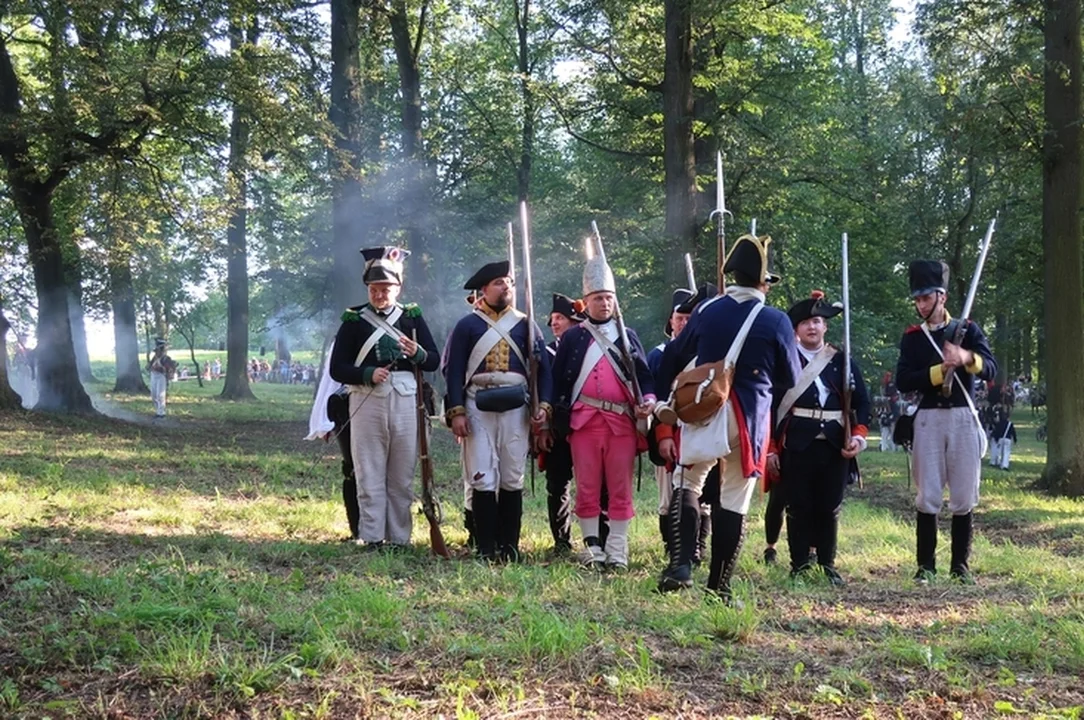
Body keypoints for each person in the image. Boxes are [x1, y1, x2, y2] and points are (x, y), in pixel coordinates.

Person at [654, 234, 800, 601]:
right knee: (734, 498)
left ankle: (682, 564)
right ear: (763, 281)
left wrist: (659, 399)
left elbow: (675, 355)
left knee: (688, 481)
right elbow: (792, 377)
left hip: (705, 406)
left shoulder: (707, 311)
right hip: (749, 417)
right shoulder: (776, 319)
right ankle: (719, 587)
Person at [548, 254, 655, 570]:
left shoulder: (627, 334)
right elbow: (558, 380)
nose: (604, 303)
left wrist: (648, 398)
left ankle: (618, 548)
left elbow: (644, 375)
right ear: (586, 302)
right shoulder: (572, 337)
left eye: (608, 297)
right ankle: (592, 546)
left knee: (620, 487)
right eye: (598, 298)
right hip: (584, 421)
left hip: (620, 421)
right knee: (588, 485)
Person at [329, 246, 440, 550]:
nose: (380, 294)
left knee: (402, 472)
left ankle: (400, 538)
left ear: (397, 288)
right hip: (367, 398)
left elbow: (433, 359)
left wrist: (416, 352)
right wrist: (367, 374)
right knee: (368, 469)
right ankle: (373, 535)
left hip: (405, 399)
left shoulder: (412, 317)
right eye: (374, 288)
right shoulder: (354, 320)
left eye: (386, 288)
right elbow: (338, 368)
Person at [444, 260, 552, 562]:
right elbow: (453, 372)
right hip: (477, 403)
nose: (506, 287)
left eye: (509, 282)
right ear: (485, 289)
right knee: (481, 476)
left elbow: (544, 372)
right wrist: (457, 412)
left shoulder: (526, 324)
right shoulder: (467, 325)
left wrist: (542, 407)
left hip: (517, 406)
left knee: (512, 475)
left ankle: (510, 546)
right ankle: (485, 546)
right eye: (499, 282)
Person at [895, 260, 997, 584]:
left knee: (964, 496)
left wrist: (965, 358)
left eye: (926, 297)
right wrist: (939, 371)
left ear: (942, 297)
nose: (921, 304)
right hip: (928, 420)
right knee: (928, 496)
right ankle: (925, 566)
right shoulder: (913, 338)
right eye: (917, 299)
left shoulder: (967, 330)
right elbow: (904, 380)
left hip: (963, 418)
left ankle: (960, 567)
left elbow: (991, 369)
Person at [769, 290, 871, 585]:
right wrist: (772, 448)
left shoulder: (842, 360)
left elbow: (862, 402)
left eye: (817, 321)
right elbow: (771, 407)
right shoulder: (785, 360)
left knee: (830, 505)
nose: (812, 327)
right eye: (805, 323)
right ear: (796, 330)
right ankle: (799, 564)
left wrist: (859, 436)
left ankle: (827, 564)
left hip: (835, 442)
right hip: (797, 441)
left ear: (825, 326)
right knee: (798, 505)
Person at [646, 288, 694, 558]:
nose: (685, 323)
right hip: (667, 429)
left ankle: (695, 548)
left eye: (690, 318)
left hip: (698, 430)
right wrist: (663, 433)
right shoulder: (658, 355)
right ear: (671, 321)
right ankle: (671, 548)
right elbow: (655, 398)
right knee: (667, 495)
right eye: (680, 318)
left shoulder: (706, 352)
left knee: (700, 495)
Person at [542, 293, 588, 556]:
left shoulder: (588, 348)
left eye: (560, 318)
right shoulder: (546, 351)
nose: (554, 323)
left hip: (586, 424)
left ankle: (594, 539)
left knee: (591, 483)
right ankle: (561, 540)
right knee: (557, 484)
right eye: (553, 319)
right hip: (558, 427)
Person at [306, 339, 360, 542]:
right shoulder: (348, 334)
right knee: (352, 469)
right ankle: (358, 528)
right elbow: (332, 378)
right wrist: (324, 420)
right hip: (346, 407)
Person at [148, 338, 175, 418]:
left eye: (158, 350)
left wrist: (167, 371)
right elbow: (149, 366)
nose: (157, 352)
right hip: (154, 376)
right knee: (153, 395)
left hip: (161, 377)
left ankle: (161, 413)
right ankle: (157, 411)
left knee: (160, 395)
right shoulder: (154, 358)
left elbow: (170, 368)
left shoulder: (166, 359)